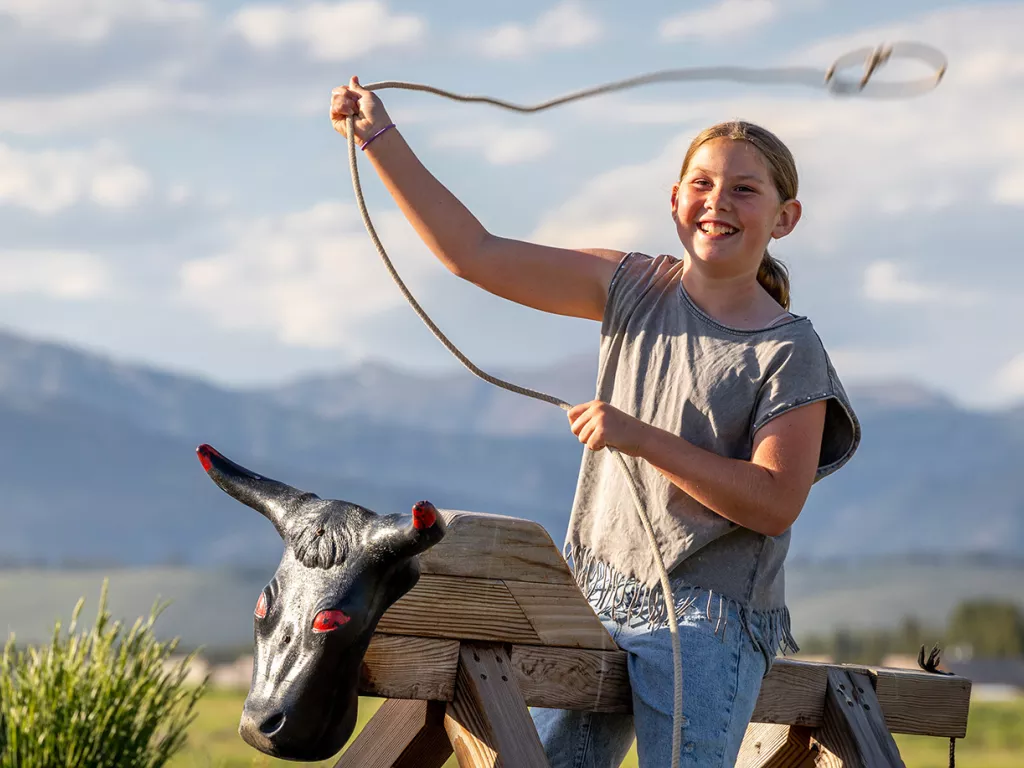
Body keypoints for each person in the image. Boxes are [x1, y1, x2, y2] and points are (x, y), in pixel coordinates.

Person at [330, 76, 860, 768]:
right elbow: (475, 253)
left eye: (744, 190)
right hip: (597, 592)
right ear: (674, 201)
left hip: (711, 618)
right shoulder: (632, 287)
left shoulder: (790, 350)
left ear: (784, 218)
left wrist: (640, 438)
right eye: (700, 184)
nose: (717, 203)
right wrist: (378, 139)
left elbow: (774, 501)